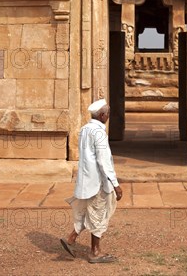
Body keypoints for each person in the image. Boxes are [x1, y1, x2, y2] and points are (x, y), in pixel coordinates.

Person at [60, 99, 122, 264]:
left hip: (86, 181)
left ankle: (71, 239)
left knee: (88, 211)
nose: (108, 116)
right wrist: (115, 184)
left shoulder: (85, 129)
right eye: (107, 114)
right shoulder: (99, 132)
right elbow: (103, 161)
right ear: (102, 115)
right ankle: (95, 252)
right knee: (99, 214)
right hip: (98, 183)